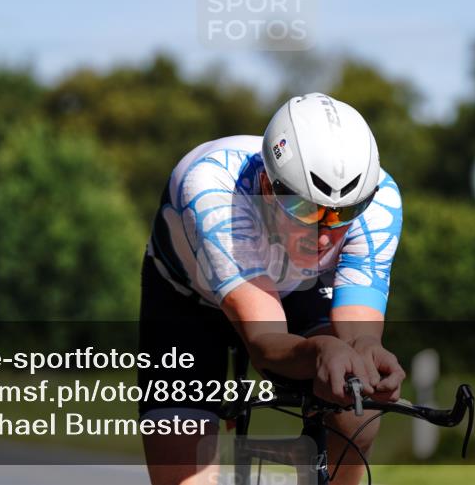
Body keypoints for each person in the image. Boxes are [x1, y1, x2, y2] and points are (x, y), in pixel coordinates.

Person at [138, 92, 405, 485]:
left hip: (298, 289)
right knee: (183, 463)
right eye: (304, 208)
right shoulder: (214, 191)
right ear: (266, 185)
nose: (324, 234)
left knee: (357, 414)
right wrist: (319, 350)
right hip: (187, 301)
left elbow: (359, 333)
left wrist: (367, 354)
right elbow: (266, 343)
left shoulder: (378, 202)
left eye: (343, 214)